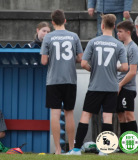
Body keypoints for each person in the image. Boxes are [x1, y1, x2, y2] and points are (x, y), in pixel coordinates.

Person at [66, 14, 128, 156]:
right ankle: (103, 150)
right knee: (107, 117)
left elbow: (83, 63)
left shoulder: (93, 42)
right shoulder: (119, 45)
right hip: (111, 87)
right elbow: (125, 67)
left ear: (102, 25)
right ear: (114, 26)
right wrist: (115, 68)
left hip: (95, 86)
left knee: (85, 116)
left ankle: (76, 149)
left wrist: (93, 69)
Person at [40, 9, 83, 155]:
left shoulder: (48, 37)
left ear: (52, 23)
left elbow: (44, 61)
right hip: (70, 79)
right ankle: (71, 148)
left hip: (53, 80)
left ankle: (58, 149)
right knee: (69, 113)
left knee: (55, 114)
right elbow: (80, 58)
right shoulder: (74, 36)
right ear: (65, 21)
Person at [116, 20, 138, 135]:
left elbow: (132, 72)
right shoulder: (120, 47)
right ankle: (123, 144)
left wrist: (120, 85)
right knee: (120, 115)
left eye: (120, 31)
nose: (118, 34)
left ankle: (132, 144)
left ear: (128, 32)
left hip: (127, 88)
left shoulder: (133, 48)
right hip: (118, 86)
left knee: (129, 114)